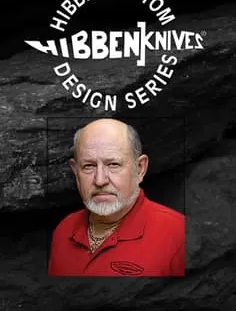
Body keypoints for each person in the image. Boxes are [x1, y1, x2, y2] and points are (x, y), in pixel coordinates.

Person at [48, 118, 185, 277]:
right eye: (89, 166)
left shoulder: (178, 235)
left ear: (140, 169)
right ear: (75, 171)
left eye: (113, 164)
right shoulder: (64, 230)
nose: (100, 180)